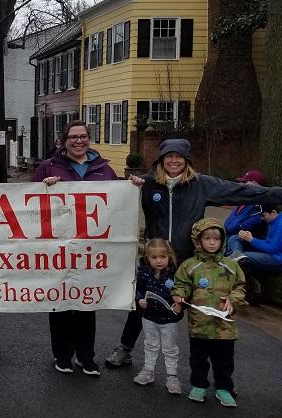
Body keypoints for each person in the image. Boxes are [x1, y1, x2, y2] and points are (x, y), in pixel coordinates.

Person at [105, 139, 282, 368]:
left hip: (190, 261)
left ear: (187, 160)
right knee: (141, 304)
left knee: (199, 310)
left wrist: (277, 194)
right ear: (161, 160)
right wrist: (131, 183)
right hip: (156, 259)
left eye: (179, 156)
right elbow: (108, 192)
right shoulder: (148, 184)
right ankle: (125, 348)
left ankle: (210, 366)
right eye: (169, 156)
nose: (174, 160)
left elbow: (241, 191)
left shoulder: (202, 184)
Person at [33, 120, 118, 376]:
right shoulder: (48, 167)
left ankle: (86, 356)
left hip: (90, 248)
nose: (78, 141)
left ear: (89, 139)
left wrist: (133, 187)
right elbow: (27, 202)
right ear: (65, 140)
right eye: (73, 137)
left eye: (83, 136)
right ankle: (62, 355)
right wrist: (42, 187)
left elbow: (117, 203)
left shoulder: (104, 170)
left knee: (86, 303)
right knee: (59, 303)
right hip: (57, 247)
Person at [171, 218, 245, 407]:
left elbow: (240, 287)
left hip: (224, 327)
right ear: (198, 240)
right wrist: (179, 296)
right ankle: (198, 385)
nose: (212, 242)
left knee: (225, 361)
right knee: (198, 360)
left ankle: (223, 388)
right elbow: (181, 285)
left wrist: (233, 299)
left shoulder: (231, 265)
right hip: (199, 325)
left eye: (216, 239)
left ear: (222, 241)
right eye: (207, 238)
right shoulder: (190, 265)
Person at [132, 239, 183, 394]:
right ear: (148, 257)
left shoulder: (175, 273)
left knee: (170, 348)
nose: (159, 261)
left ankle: (172, 376)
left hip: (169, 320)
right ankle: (148, 371)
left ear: (169, 256)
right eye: (154, 257)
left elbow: (183, 291)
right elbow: (138, 289)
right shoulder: (144, 272)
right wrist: (139, 299)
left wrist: (180, 304)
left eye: (162, 257)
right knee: (150, 345)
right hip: (149, 317)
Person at [228, 203, 282, 299]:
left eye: (263, 215)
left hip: (277, 259)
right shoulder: (272, 221)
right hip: (268, 252)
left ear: (273, 212)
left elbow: (273, 248)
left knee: (242, 258)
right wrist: (248, 237)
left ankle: (252, 286)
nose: (262, 218)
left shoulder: (280, 224)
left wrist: (251, 240)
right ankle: (237, 253)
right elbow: (267, 242)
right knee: (234, 238)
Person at [224, 170, 268, 244]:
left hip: (245, 244)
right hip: (228, 240)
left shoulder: (261, 204)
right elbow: (228, 223)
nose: (241, 184)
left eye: (245, 182)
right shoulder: (243, 200)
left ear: (254, 184)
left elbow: (246, 225)